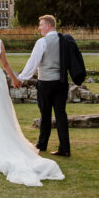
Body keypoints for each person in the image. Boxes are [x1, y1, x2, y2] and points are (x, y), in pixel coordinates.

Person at [0, 18, 64, 186]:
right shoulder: (0, 43)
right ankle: (1, 140)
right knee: (0, 110)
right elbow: (5, 64)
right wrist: (15, 79)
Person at [17, 14, 70, 156]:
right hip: (62, 82)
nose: (39, 27)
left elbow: (33, 62)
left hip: (46, 82)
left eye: (41, 25)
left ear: (48, 26)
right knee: (61, 115)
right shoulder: (65, 40)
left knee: (45, 114)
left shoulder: (42, 42)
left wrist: (21, 78)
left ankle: (42, 144)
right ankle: (65, 148)